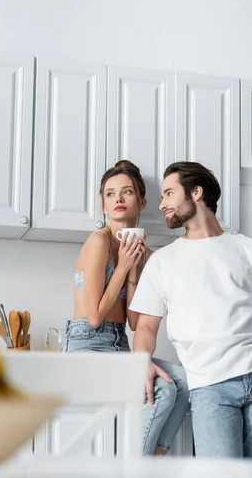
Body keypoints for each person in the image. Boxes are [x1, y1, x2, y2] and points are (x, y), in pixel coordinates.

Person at [129, 161, 252, 458]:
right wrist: (141, 361)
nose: (161, 205)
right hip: (210, 388)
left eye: (169, 194)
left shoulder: (248, 249)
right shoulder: (162, 261)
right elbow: (145, 326)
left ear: (196, 192)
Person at [62, 160, 189, 455]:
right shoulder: (99, 242)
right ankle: (137, 471)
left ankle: (153, 460)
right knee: (163, 390)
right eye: (109, 194)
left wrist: (134, 268)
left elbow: (133, 322)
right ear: (104, 206)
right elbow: (94, 317)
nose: (118, 199)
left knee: (182, 381)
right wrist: (124, 266)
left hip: (119, 345)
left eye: (127, 192)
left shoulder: (144, 255)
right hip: (86, 347)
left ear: (142, 201)